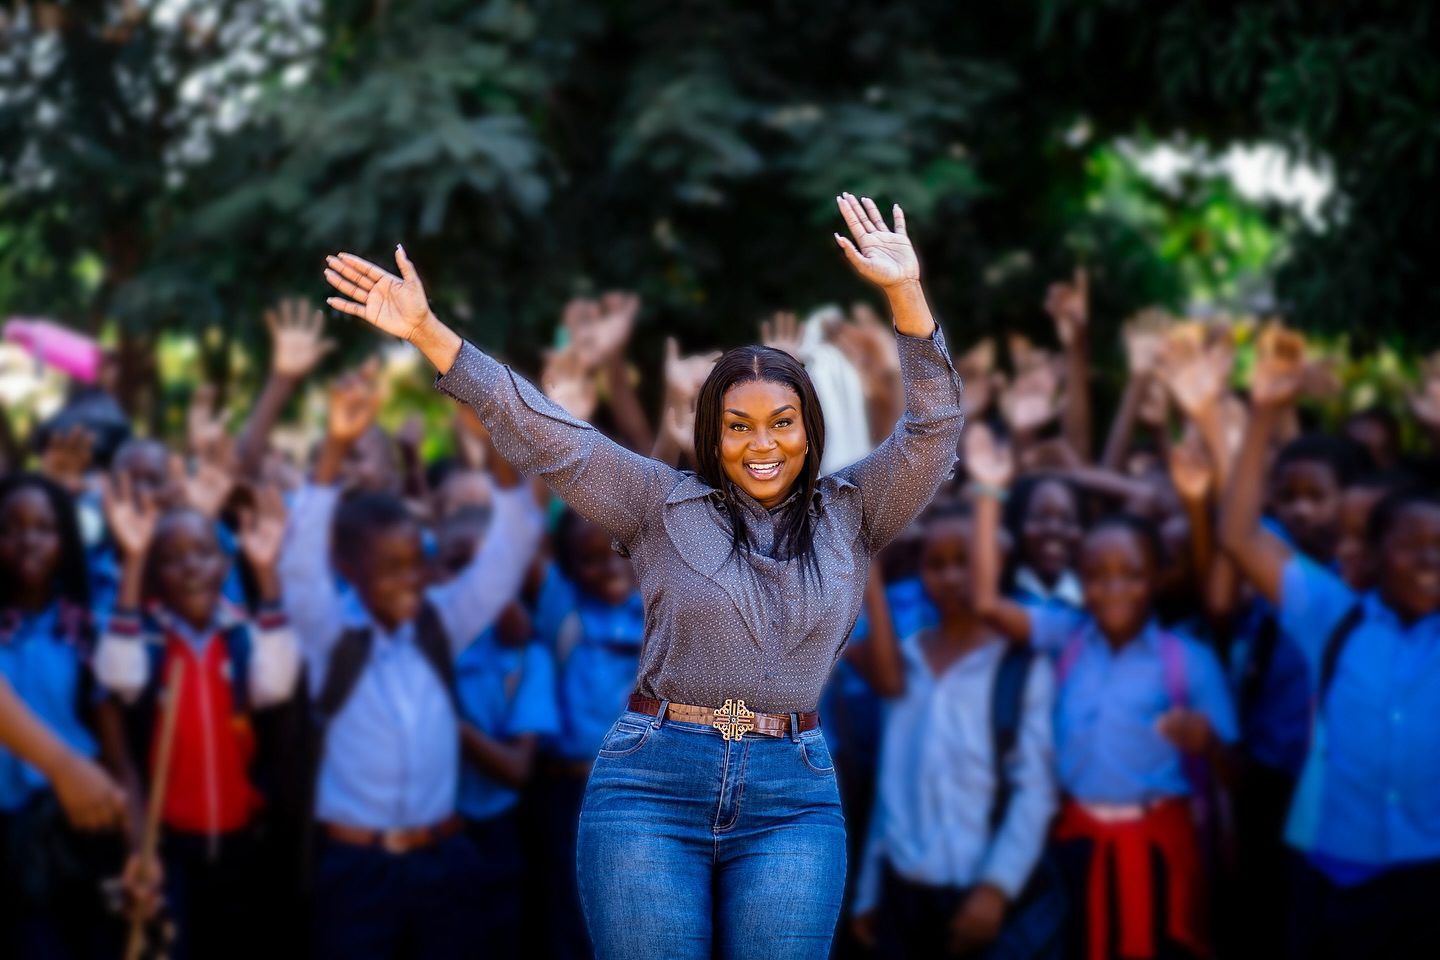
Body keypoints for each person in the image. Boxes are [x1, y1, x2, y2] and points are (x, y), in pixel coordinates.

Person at [322, 191, 965, 959]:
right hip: (652, 785)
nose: (762, 444)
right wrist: (429, 333)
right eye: (738, 426)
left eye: (782, 423)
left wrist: (906, 294)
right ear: (712, 435)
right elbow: (544, 432)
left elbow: (934, 429)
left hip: (793, 795)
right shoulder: (660, 503)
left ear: (809, 431)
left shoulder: (855, 510)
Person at [279, 362, 543, 959]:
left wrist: (496, 442)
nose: (414, 579)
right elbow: (297, 564)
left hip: (441, 861)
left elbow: (511, 546)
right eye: (392, 567)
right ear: (349, 571)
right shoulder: (329, 635)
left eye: (418, 563)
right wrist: (335, 450)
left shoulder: (439, 625)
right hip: (356, 870)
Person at [968, 425, 1237, 960]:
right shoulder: (1066, 635)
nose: (1113, 589)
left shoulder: (1189, 661)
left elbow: (1237, 769)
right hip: (1076, 845)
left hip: (1160, 849)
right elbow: (988, 606)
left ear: (1158, 579)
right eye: (1097, 575)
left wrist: (1207, 740)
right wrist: (989, 497)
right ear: (1079, 579)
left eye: (1130, 574)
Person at [1219, 332, 1440, 959]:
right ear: (1373, 557)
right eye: (1412, 545)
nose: (1429, 560)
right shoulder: (1335, 617)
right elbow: (1240, 537)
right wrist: (1263, 413)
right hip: (1341, 874)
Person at [94, 478, 301, 960]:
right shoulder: (145, 638)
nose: (191, 567)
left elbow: (277, 684)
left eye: (203, 554)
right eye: (171, 557)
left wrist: (267, 574)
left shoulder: (242, 634)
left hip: (243, 841)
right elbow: (117, 678)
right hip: (170, 846)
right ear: (154, 575)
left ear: (225, 565)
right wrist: (133, 562)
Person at [848, 503, 1057, 959]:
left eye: (965, 561)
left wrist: (997, 889)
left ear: (993, 563)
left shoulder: (1020, 667)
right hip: (904, 888)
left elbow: (1035, 789)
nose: (951, 577)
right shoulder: (909, 661)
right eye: (936, 564)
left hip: (982, 889)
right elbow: (893, 784)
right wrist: (869, 890)